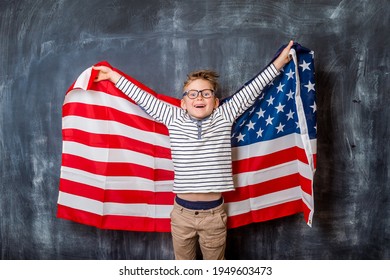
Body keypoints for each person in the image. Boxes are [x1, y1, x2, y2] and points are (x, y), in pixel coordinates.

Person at [93, 40, 294, 260]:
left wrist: (280, 63)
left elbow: (253, 90)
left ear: (216, 102)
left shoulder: (224, 115)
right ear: (183, 103)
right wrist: (113, 77)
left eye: (206, 94)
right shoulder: (172, 116)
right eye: (192, 94)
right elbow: (144, 99)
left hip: (213, 216)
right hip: (181, 215)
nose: (199, 97)